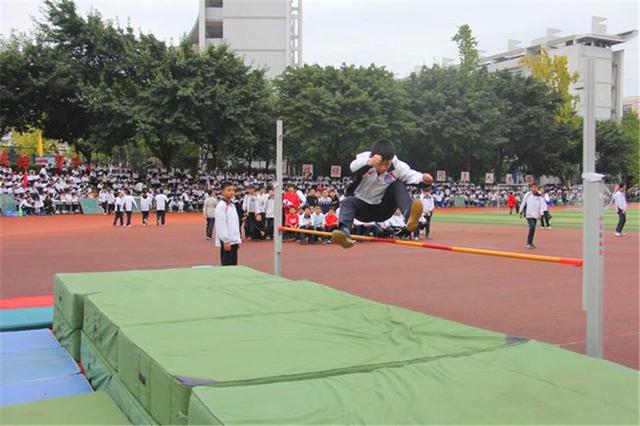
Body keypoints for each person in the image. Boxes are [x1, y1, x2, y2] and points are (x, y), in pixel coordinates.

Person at [331, 140, 433, 248]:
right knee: (348, 202)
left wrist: (424, 179)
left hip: (383, 209)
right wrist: (369, 162)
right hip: (362, 207)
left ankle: (410, 217)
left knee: (397, 185)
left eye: (387, 164)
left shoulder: (398, 166)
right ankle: (344, 232)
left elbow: (411, 175)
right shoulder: (365, 158)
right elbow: (352, 167)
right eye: (380, 164)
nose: (383, 168)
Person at [214, 182, 241, 266]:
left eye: (233, 190)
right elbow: (221, 224)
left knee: (233, 264)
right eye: (229, 190)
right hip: (227, 240)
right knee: (227, 264)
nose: (232, 192)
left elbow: (235, 223)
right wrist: (225, 240)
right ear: (222, 192)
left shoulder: (232, 205)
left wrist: (237, 239)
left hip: (233, 240)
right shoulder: (221, 206)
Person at [519, 183, 545, 249]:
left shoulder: (539, 196)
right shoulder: (527, 195)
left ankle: (530, 242)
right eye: (532, 187)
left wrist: (541, 213)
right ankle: (528, 243)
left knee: (533, 229)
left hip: (536, 215)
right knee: (532, 227)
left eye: (535, 187)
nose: (534, 189)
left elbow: (542, 205)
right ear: (530, 188)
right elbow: (523, 203)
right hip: (529, 214)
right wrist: (520, 211)